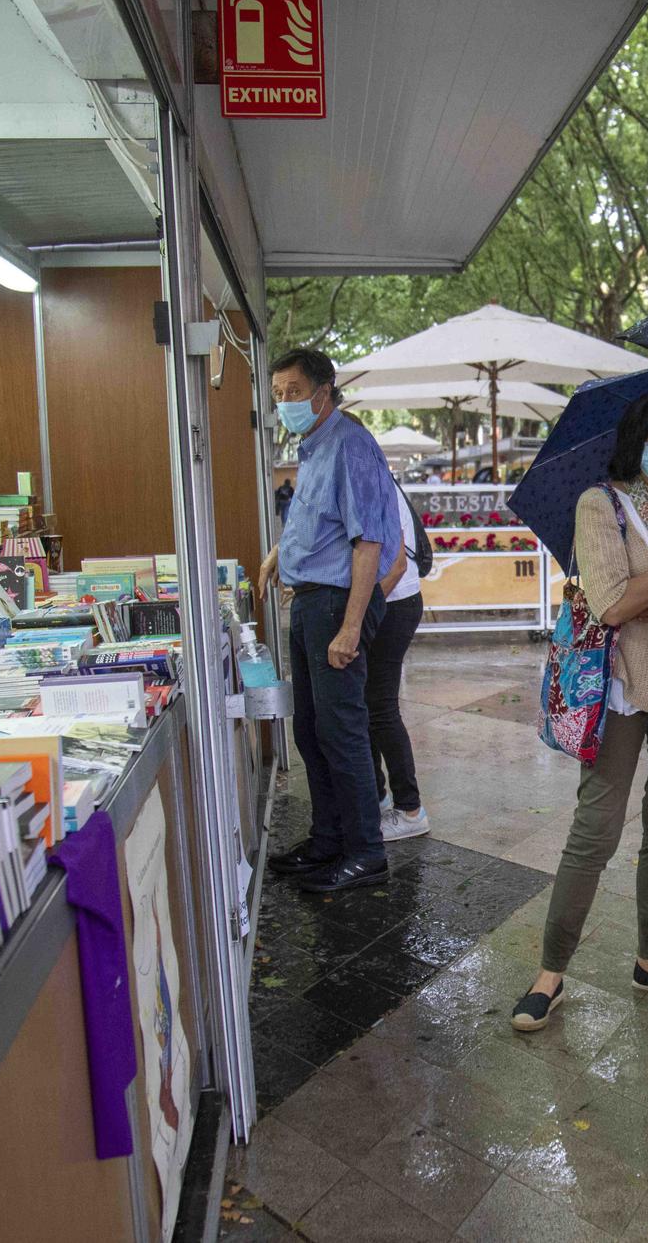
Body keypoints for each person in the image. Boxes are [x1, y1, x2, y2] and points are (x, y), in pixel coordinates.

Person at [511, 395, 648, 1032]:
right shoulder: (600, 504)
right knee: (597, 830)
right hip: (626, 688)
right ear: (637, 440)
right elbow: (610, 604)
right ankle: (550, 974)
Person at [259, 349, 403, 894]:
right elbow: (317, 523)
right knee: (311, 728)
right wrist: (280, 552)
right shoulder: (313, 448)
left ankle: (366, 850)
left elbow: (369, 543)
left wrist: (351, 625)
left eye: (293, 391)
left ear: (324, 391)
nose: (284, 402)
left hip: (338, 604)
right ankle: (328, 839)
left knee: (342, 732)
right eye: (277, 394)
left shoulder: (350, 444)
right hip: (310, 601)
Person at [371, 485, 430, 840]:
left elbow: (395, 565)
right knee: (367, 706)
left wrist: (356, 614)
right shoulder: (372, 479)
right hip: (387, 603)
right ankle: (378, 799)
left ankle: (410, 810)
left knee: (379, 708)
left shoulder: (377, 485)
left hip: (392, 606)